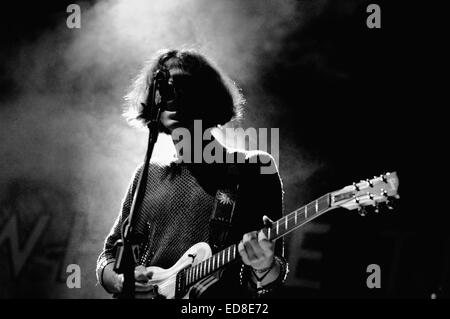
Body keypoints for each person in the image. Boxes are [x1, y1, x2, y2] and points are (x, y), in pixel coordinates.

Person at [96, 49, 288, 298]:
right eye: (166, 89)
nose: (174, 98)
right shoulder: (148, 174)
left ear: (208, 98)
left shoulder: (254, 168)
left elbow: (274, 276)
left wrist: (264, 267)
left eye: (184, 87)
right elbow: (109, 255)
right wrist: (121, 281)